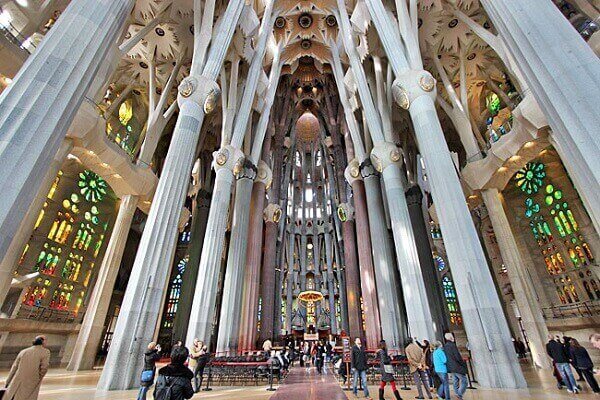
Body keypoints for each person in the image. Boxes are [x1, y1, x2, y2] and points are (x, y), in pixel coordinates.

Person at [3, 335, 50, 400]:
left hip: (17, 380)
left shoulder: (23, 351)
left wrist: (8, 381)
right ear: (42, 341)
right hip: (32, 381)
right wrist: (38, 377)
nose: (47, 342)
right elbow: (44, 367)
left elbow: (14, 367)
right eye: (46, 340)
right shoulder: (45, 352)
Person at [443, 333, 468, 400]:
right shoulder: (452, 345)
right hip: (456, 366)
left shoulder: (445, 346)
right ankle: (459, 394)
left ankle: (457, 394)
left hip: (451, 367)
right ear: (451, 337)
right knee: (464, 381)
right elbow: (457, 356)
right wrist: (462, 364)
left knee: (455, 381)